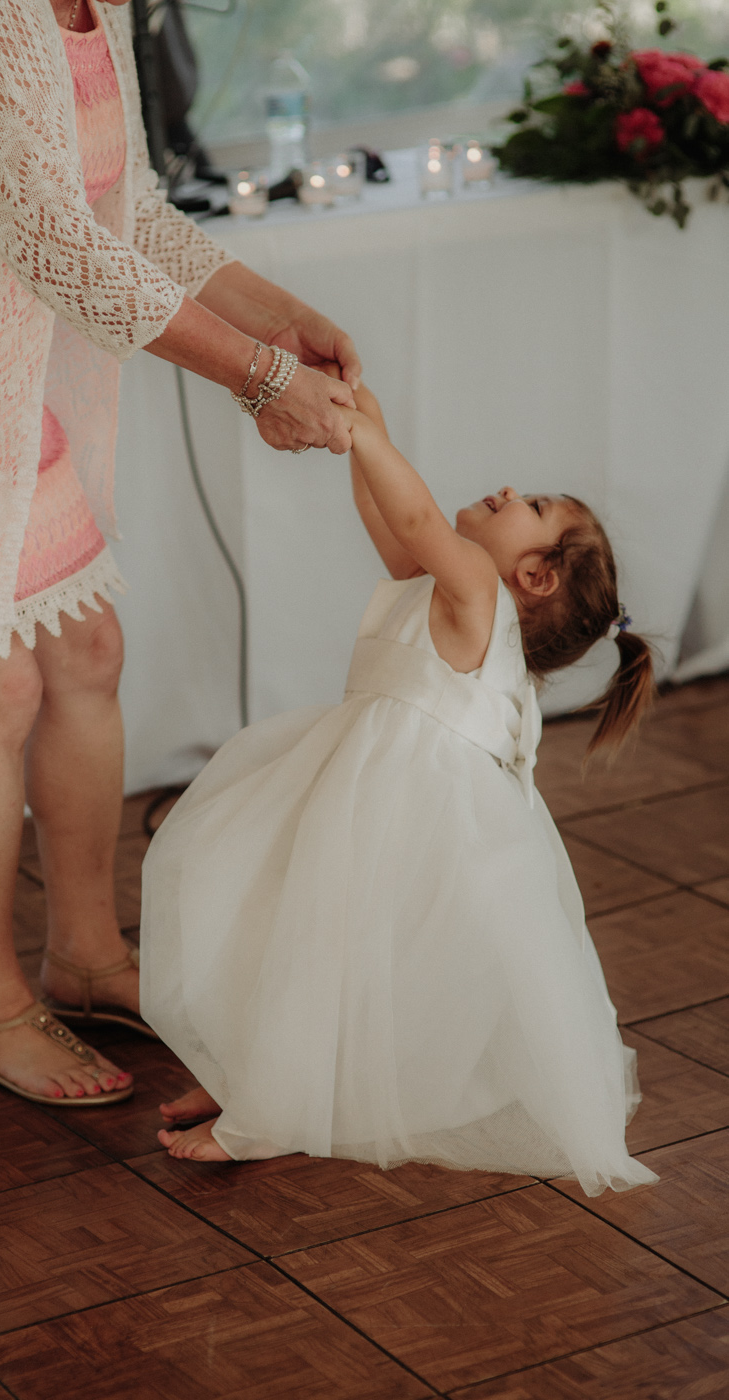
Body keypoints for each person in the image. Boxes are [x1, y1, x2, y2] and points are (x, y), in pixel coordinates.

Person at [0, 0, 361, 1106]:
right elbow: (56, 242)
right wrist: (259, 378)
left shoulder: (87, 6)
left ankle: (88, 958)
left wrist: (277, 315)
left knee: (85, 651)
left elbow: (122, 206)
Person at [141, 377, 659, 1197]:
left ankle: (274, 1111)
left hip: (394, 810)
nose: (505, 492)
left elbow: (416, 515)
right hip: (355, 783)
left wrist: (366, 439)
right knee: (280, 921)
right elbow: (394, 534)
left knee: (320, 945)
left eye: (531, 507)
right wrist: (367, 428)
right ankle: (254, 1071)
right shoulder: (456, 586)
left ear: (533, 578)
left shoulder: (475, 596)